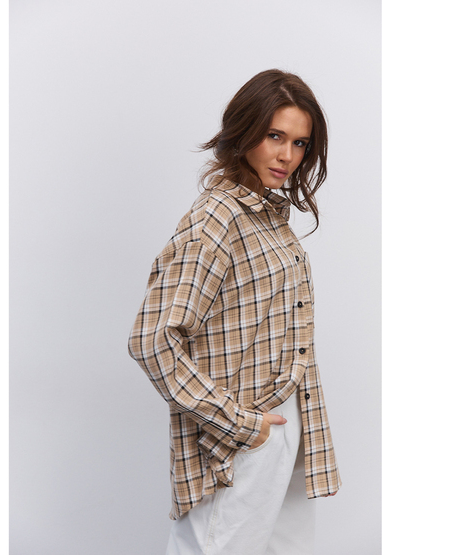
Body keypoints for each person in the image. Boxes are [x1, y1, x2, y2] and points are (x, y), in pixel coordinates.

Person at [127, 69, 341, 555]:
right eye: (275, 136)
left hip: (285, 427)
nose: (288, 156)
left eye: (300, 143)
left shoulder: (266, 217)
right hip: (239, 440)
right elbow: (152, 340)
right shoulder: (216, 218)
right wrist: (241, 424)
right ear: (244, 131)